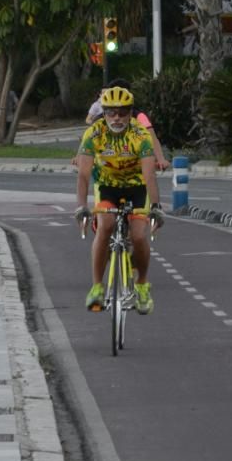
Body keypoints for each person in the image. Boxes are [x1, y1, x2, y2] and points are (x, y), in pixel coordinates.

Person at [74, 86, 165, 315]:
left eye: (123, 112)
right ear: (103, 113)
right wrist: (82, 206)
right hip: (107, 188)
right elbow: (84, 174)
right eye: (111, 112)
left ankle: (142, 285)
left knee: (138, 236)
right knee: (105, 226)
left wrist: (155, 206)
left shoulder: (140, 135)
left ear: (131, 112)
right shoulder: (94, 133)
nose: (117, 117)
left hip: (136, 188)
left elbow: (149, 175)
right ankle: (96, 287)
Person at [84, 79, 170, 170]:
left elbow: (152, 137)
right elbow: (88, 140)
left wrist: (161, 160)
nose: (116, 117)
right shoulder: (100, 119)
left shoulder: (139, 116)